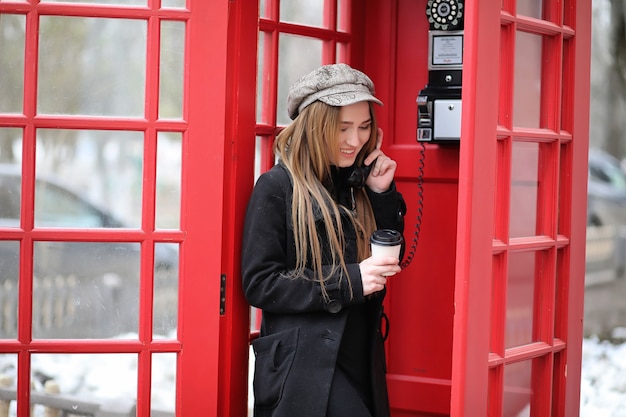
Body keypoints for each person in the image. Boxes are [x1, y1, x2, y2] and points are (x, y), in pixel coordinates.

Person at [241, 63, 406, 417]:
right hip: (305, 367)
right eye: (342, 128)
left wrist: (381, 195)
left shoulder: (357, 183)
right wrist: (350, 280)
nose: (354, 140)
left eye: (364, 127)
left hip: (360, 357)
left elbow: (391, 258)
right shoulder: (277, 188)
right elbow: (260, 283)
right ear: (316, 127)